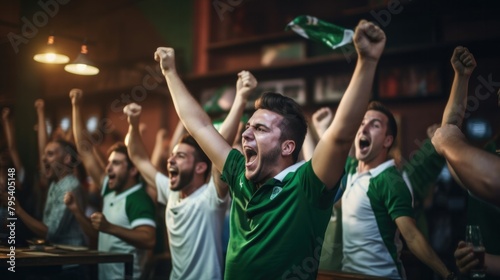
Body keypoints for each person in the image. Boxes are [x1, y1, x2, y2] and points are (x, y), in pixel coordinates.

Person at [155, 19, 386, 279]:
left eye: (260, 129)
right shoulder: (238, 174)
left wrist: (366, 62)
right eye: (248, 127)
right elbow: (199, 126)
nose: (245, 133)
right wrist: (170, 73)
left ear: (288, 146)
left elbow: (340, 137)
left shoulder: (306, 185)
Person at [124, 70, 257, 279]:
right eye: (173, 155)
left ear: (200, 168)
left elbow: (221, 152)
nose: (170, 160)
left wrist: (241, 98)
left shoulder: (210, 199)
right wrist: (132, 124)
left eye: (181, 156)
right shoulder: (171, 193)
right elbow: (138, 157)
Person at [339, 100, 453, 279]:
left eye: (374, 125)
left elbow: (412, 236)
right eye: (362, 123)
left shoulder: (390, 181)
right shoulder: (352, 170)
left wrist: (447, 275)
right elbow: (326, 155)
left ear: (387, 140)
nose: (364, 128)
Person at [70, 88, 156, 280]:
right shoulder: (109, 189)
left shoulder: (138, 198)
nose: (108, 168)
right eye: (109, 162)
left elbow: (149, 239)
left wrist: (110, 228)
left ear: (133, 170)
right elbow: (86, 152)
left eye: (116, 163)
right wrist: (76, 106)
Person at [432, 47, 500, 278]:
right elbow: (450, 132)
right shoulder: (491, 152)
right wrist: (461, 77)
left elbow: (447, 138)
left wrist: (447, 141)